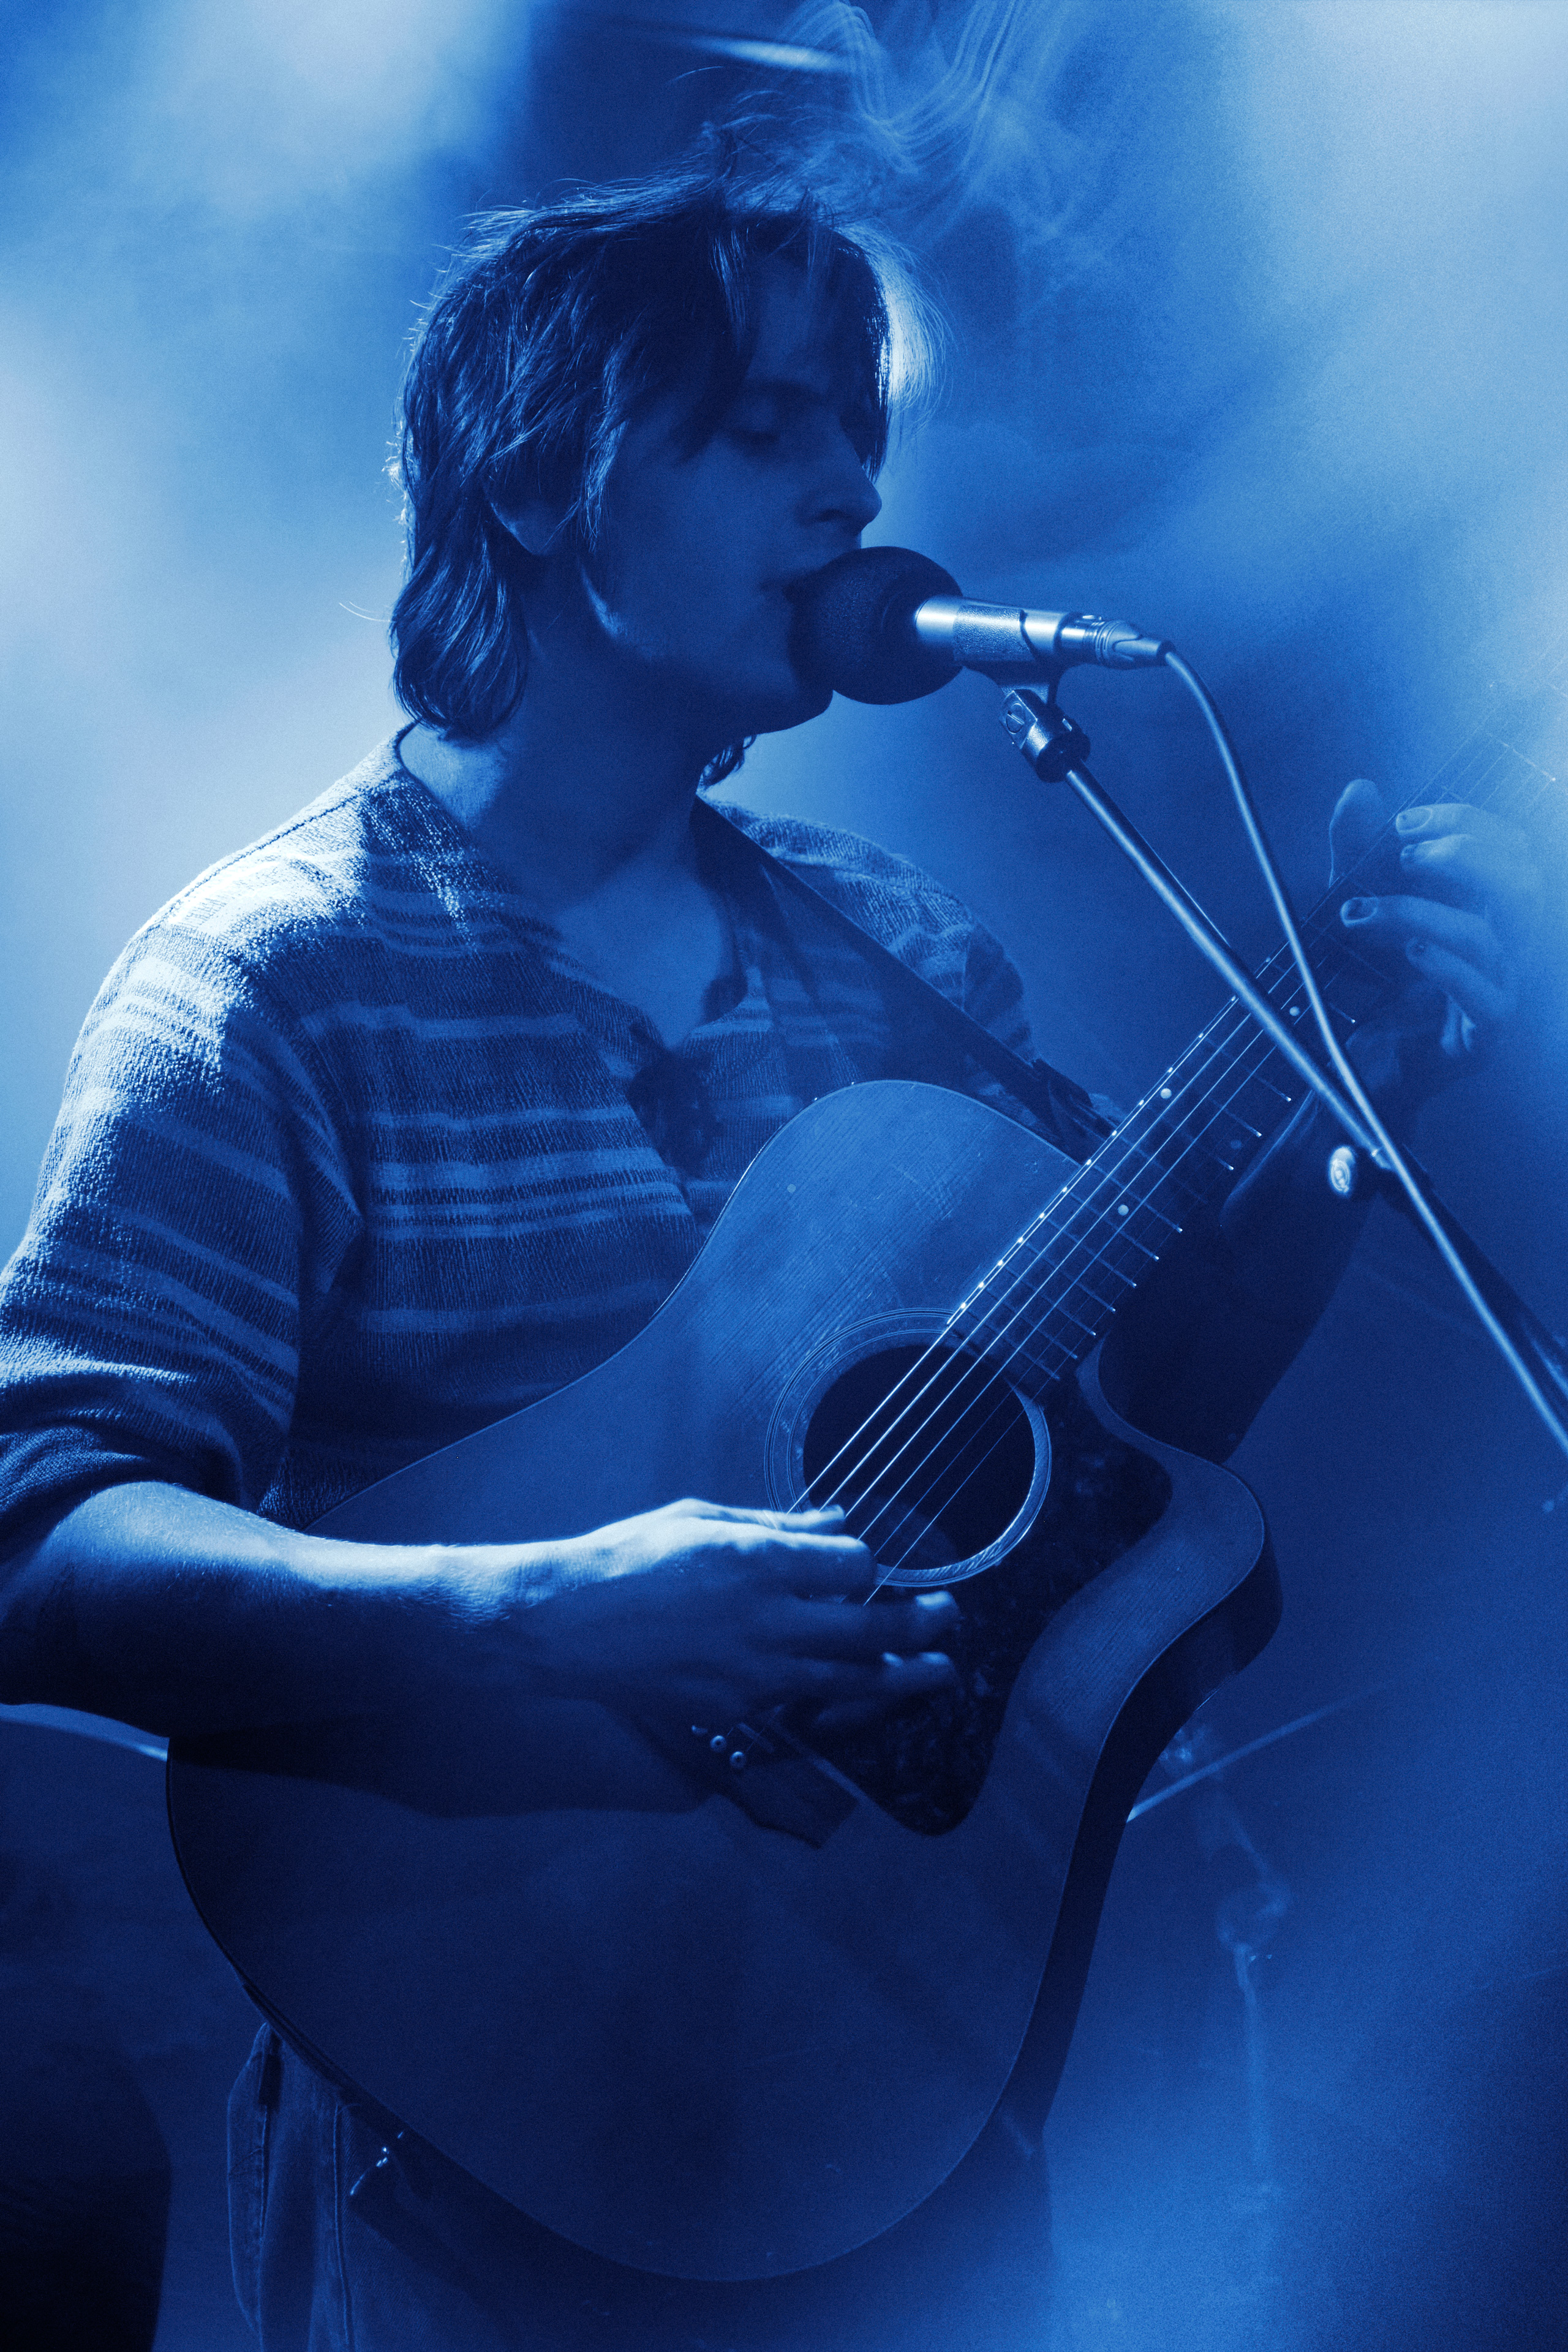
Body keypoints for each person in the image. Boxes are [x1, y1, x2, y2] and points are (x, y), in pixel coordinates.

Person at [0, 153, 1537, 2350]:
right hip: (479, 2134)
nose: (845, 488)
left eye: (861, 434)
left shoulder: (891, 944)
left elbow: (1109, 1453)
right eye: (765, 424)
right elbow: (36, 1538)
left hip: (895, 2096)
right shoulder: (266, 980)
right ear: (542, 483)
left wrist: (1345, 1090)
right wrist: (544, 1614)